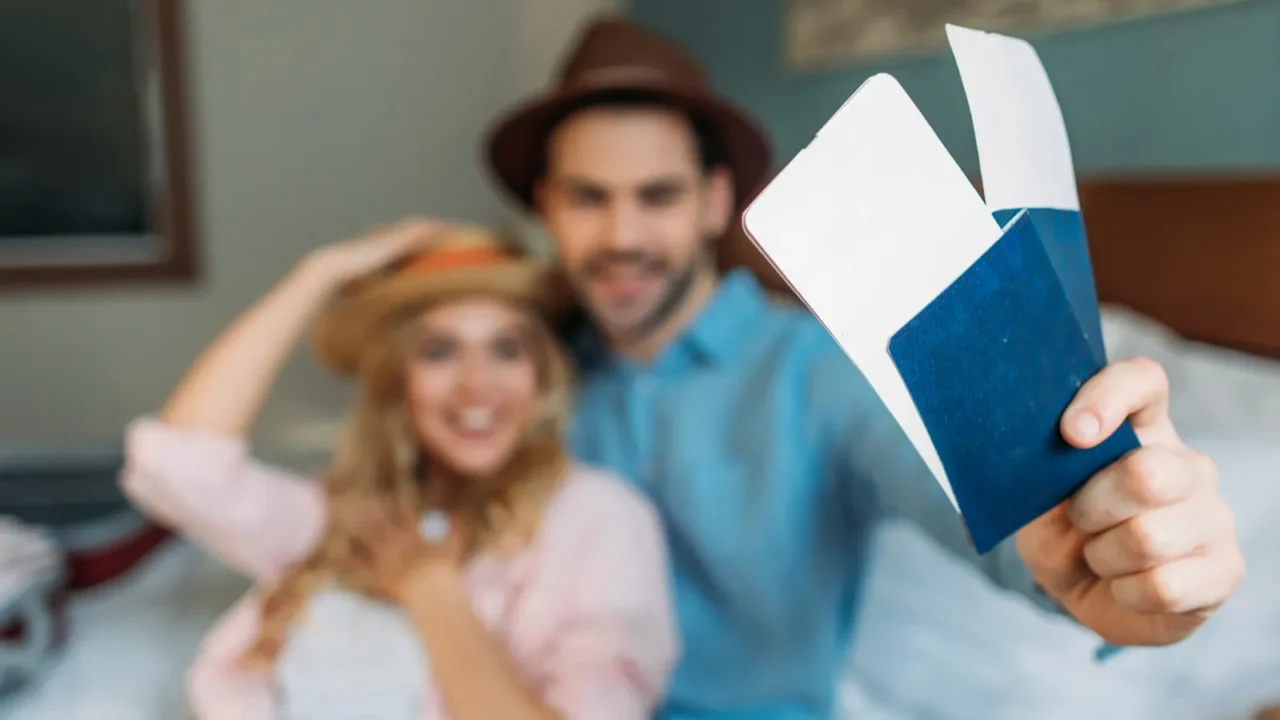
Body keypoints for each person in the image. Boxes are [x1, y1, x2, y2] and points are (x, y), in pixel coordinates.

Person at [484, 17, 1243, 719]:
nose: (621, 236)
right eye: (588, 198)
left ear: (716, 203)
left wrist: (1117, 560)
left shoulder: (824, 371)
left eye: (657, 196)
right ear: (546, 207)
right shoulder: (521, 363)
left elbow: (997, 520)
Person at [120, 224, 678, 719]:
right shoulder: (342, 515)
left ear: (541, 375)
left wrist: (433, 592)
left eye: (507, 349)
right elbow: (176, 467)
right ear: (396, 380)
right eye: (439, 351)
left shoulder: (598, 519)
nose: (476, 384)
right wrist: (319, 273)